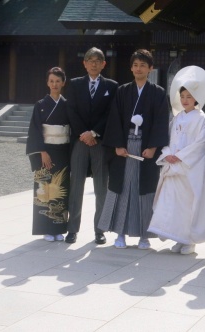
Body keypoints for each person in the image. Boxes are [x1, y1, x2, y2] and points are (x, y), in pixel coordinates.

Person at [98, 49, 169, 249]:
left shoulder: (158, 93)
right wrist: (118, 145)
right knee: (124, 189)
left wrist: (154, 147)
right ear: (131, 68)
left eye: (143, 65)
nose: (139, 68)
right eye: (136, 65)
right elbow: (114, 119)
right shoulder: (122, 91)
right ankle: (120, 233)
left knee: (143, 191)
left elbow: (161, 122)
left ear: (150, 68)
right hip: (125, 147)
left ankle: (144, 235)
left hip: (146, 147)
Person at [148, 66, 205, 255]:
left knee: (189, 204)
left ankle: (190, 240)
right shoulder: (177, 118)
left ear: (196, 98)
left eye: (189, 96)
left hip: (189, 168)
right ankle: (179, 237)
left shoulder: (200, 117)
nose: (185, 100)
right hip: (174, 166)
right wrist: (168, 153)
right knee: (174, 204)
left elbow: (201, 143)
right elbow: (169, 138)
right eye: (183, 96)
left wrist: (179, 156)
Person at [65, 47, 118, 245]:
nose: (94, 63)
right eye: (90, 60)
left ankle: (100, 229)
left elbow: (111, 113)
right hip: (80, 140)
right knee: (76, 185)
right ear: (84, 63)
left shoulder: (111, 86)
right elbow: (71, 110)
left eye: (98, 60)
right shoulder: (75, 84)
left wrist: (94, 133)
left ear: (104, 64)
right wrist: (84, 134)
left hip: (100, 141)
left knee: (101, 187)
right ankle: (72, 229)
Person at [26, 67, 70, 242]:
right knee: (44, 189)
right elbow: (35, 130)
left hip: (63, 151)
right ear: (47, 83)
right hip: (46, 151)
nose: (54, 84)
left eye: (58, 81)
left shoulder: (67, 105)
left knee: (60, 189)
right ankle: (45, 228)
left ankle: (58, 227)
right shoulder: (40, 105)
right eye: (51, 81)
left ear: (63, 83)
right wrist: (42, 152)